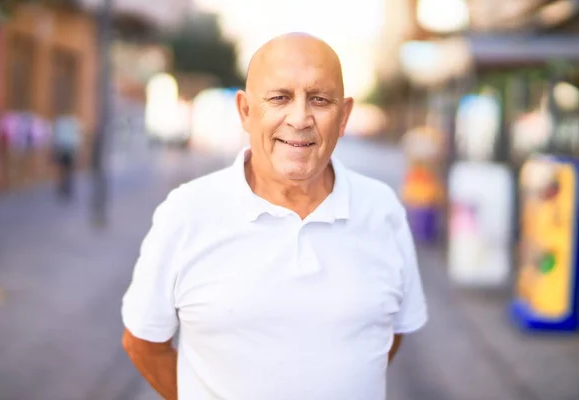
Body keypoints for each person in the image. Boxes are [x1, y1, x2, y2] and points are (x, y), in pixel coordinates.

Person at [121, 33, 428, 400]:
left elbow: (388, 336)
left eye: (319, 99)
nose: (300, 118)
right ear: (246, 112)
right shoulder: (186, 212)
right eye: (280, 98)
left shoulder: (383, 210)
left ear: (344, 116)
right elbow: (144, 345)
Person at [51, 113, 81, 200]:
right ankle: (66, 186)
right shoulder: (73, 124)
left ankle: (63, 186)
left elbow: (56, 138)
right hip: (69, 149)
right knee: (68, 169)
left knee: (63, 169)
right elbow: (77, 138)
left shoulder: (60, 123)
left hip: (63, 148)